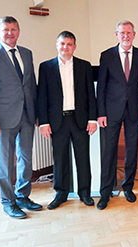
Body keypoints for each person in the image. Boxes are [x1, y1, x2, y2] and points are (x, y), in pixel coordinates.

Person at [0, 16, 42, 218]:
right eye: (6, 29)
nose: (10, 33)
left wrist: (36, 114)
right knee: (6, 162)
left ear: (19, 31)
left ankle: (22, 196)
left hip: (27, 116)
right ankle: (8, 202)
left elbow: (31, 85)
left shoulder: (26, 53)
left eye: (14, 29)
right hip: (3, 119)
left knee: (26, 159)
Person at [37, 31, 97, 210]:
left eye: (69, 44)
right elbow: (42, 97)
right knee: (60, 158)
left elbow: (90, 96)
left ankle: (84, 192)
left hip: (79, 119)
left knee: (82, 157)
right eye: (62, 44)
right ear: (57, 45)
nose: (65, 47)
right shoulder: (46, 67)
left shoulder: (84, 66)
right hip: (57, 122)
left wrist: (92, 119)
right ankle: (61, 193)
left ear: (74, 47)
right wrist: (44, 122)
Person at [96, 20, 138, 210]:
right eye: (122, 33)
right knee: (108, 151)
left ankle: (128, 187)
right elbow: (101, 87)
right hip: (111, 112)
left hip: (135, 111)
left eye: (129, 33)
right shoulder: (107, 56)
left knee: (132, 151)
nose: (126, 36)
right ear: (116, 34)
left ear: (134, 35)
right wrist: (101, 113)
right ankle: (105, 192)